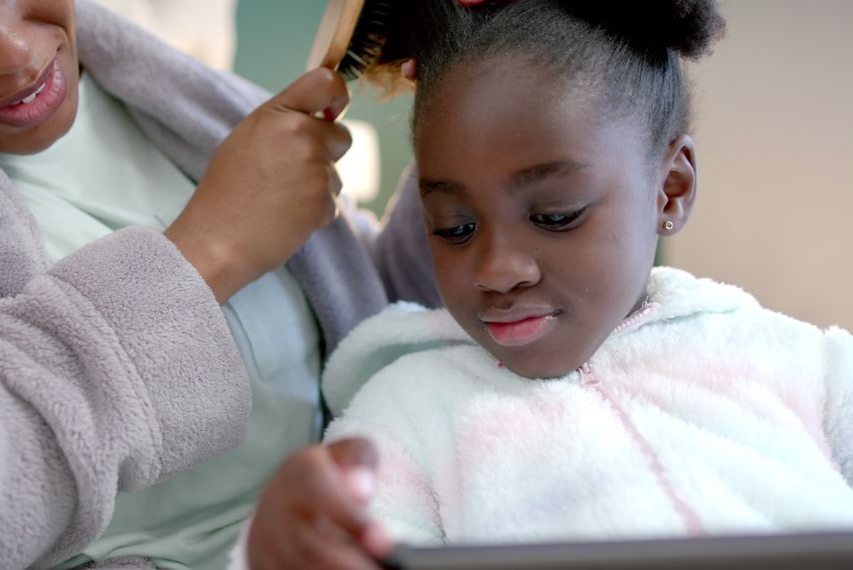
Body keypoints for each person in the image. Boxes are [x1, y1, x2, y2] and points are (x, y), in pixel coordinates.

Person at [0, 1, 438, 568]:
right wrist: (211, 250)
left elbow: (370, 322)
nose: (11, 50)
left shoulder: (163, 94)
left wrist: (460, 123)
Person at [241, 1, 853, 568]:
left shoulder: (805, 366)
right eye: (454, 228)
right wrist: (287, 545)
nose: (496, 269)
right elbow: (355, 540)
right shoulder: (404, 415)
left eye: (555, 216)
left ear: (670, 189)